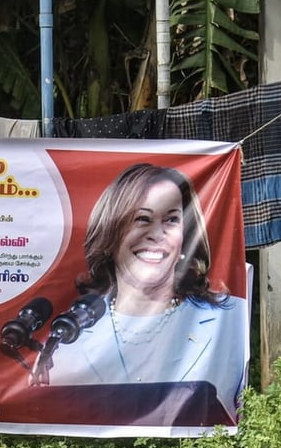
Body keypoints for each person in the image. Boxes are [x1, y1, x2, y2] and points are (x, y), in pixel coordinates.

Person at [42, 163, 249, 420]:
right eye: (142, 219)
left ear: (186, 235)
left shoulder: (231, 320)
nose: (156, 234)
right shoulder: (67, 338)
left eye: (171, 219)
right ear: (110, 235)